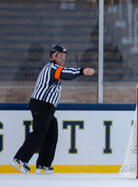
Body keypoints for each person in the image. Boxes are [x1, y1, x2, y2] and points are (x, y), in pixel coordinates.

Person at [10, 44, 96, 174]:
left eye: (64, 56)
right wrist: (82, 71)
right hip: (41, 104)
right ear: (53, 56)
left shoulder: (54, 68)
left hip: (47, 106)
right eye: (60, 56)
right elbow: (65, 74)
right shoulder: (52, 68)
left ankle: (43, 164)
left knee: (51, 132)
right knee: (39, 132)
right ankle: (19, 159)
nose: (63, 58)